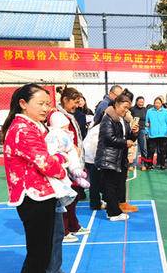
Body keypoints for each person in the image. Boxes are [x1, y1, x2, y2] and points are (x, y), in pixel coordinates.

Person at [2, 83, 68, 273]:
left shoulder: (31, 126)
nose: (45, 108)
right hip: (33, 195)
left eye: (47, 104)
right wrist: (62, 160)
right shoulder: (22, 129)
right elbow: (46, 162)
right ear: (23, 104)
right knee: (38, 253)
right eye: (40, 103)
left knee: (42, 251)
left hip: (40, 193)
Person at [51, 87, 89, 242]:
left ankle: (73, 225)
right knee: (66, 195)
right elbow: (58, 139)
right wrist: (71, 148)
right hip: (64, 161)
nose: (77, 105)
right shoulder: (57, 116)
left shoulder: (67, 115)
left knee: (75, 194)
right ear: (65, 100)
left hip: (73, 160)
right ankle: (64, 230)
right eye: (75, 101)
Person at [95, 92, 138, 220]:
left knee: (116, 185)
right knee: (110, 186)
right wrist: (125, 142)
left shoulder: (122, 119)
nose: (126, 110)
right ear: (117, 104)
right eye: (124, 107)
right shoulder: (107, 118)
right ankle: (113, 213)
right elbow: (109, 138)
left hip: (119, 157)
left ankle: (115, 209)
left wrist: (134, 133)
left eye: (128, 108)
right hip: (109, 157)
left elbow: (128, 137)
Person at [144, 97, 167, 170]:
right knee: (151, 151)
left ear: (161, 103)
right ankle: (150, 165)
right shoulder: (149, 111)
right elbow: (147, 123)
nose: (157, 104)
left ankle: (162, 164)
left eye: (159, 103)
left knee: (163, 151)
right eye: (156, 103)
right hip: (152, 135)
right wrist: (147, 132)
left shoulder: (166, 112)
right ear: (154, 103)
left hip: (163, 134)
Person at [82, 120, 105, 210]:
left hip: (92, 158)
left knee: (95, 182)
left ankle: (96, 203)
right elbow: (94, 146)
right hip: (92, 159)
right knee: (95, 183)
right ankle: (95, 204)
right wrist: (98, 161)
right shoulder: (98, 129)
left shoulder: (96, 128)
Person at [130, 96, 150, 169]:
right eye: (140, 102)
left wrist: (147, 125)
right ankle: (132, 164)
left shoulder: (146, 110)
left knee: (143, 148)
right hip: (134, 130)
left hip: (142, 130)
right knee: (133, 148)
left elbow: (148, 120)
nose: (141, 103)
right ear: (136, 102)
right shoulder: (132, 109)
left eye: (142, 102)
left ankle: (143, 164)